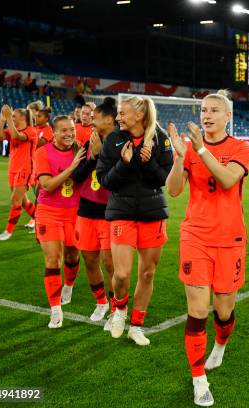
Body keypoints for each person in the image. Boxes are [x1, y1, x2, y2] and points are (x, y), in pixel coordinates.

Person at [166, 90, 249, 407]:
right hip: (196, 237)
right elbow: (174, 191)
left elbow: (228, 179)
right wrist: (178, 158)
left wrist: (199, 149)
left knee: (224, 310)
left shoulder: (240, 148)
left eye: (214, 110)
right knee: (198, 309)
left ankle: (221, 343)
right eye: (204, 109)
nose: (207, 114)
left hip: (230, 240)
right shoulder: (189, 150)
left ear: (227, 116)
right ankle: (198, 378)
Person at [96, 95, 172, 346]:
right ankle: (119, 310)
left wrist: (148, 163)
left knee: (148, 274)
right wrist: (124, 163)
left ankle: (136, 326)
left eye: (122, 113)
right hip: (122, 212)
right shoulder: (113, 140)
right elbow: (105, 180)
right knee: (122, 273)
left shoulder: (160, 138)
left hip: (152, 213)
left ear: (138, 115)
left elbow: (164, 179)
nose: (118, 118)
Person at [33, 115, 86, 328]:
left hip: (75, 212)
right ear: (53, 133)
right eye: (63, 130)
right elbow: (47, 186)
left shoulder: (81, 149)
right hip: (48, 212)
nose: (69, 134)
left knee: (72, 255)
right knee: (53, 260)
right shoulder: (42, 152)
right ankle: (55, 310)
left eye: (71, 129)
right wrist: (72, 167)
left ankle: (69, 286)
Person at [72, 97, 117, 327]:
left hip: (110, 212)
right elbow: (77, 176)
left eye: (96, 117)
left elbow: (115, 179)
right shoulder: (89, 142)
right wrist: (94, 154)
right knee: (89, 260)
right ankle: (101, 303)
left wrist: (100, 155)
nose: (91, 120)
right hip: (86, 210)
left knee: (111, 264)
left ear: (109, 120)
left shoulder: (120, 143)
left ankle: (116, 310)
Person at [0, 105, 38, 240]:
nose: (11, 118)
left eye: (14, 116)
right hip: (12, 169)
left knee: (15, 199)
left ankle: (8, 231)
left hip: (25, 169)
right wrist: (2, 120)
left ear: (23, 118)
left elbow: (16, 136)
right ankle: (40, 221)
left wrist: (8, 119)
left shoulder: (31, 131)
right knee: (23, 202)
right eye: (11, 116)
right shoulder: (12, 128)